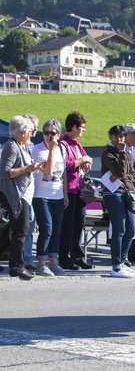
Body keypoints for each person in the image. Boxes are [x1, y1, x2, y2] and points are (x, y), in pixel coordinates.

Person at [0, 116, 43, 279]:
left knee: (21, 230)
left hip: (22, 193)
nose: (31, 134)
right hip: (15, 195)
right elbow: (4, 172)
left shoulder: (20, 146)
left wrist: (32, 168)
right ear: (22, 132)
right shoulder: (11, 147)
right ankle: (17, 267)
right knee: (20, 231)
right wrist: (27, 168)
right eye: (29, 131)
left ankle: (17, 266)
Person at [31, 119, 67, 276]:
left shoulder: (62, 149)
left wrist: (65, 195)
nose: (49, 136)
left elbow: (64, 173)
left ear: (59, 134)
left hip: (57, 195)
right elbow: (48, 171)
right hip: (41, 195)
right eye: (46, 133)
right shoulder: (38, 150)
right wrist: (52, 149)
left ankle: (53, 262)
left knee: (57, 230)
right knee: (47, 229)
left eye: (53, 133)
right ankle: (41, 263)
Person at [101, 125, 135, 278]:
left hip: (126, 194)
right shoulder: (107, 154)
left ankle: (122, 261)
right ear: (110, 137)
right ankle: (116, 266)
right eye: (116, 136)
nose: (119, 140)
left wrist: (121, 176)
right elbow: (121, 171)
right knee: (119, 230)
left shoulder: (125, 154)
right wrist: (122, 154)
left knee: (131, 230)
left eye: (121, 136)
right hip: (113, 194)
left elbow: (133, 174)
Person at [59, 111, 93, 270]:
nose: (84, 130)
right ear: (74, 127)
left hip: (79, 190)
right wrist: (82, 160)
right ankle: (64, 257)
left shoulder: (77, 144)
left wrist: (86, 163)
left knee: (79, 224)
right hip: (69, 189)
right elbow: (66, 165)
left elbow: (88, 159)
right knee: (68, 225)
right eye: (82, 127)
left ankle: (77, 256)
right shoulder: (63, 144)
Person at [22, 113, 39, 272]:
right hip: (20, 193)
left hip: (31, 192)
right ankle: (21, 260)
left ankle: (26, 259)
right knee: (22, 228)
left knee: (29, 225)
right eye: (33, 127)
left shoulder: (32, 146)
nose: (35, 131)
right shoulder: (15, 146)